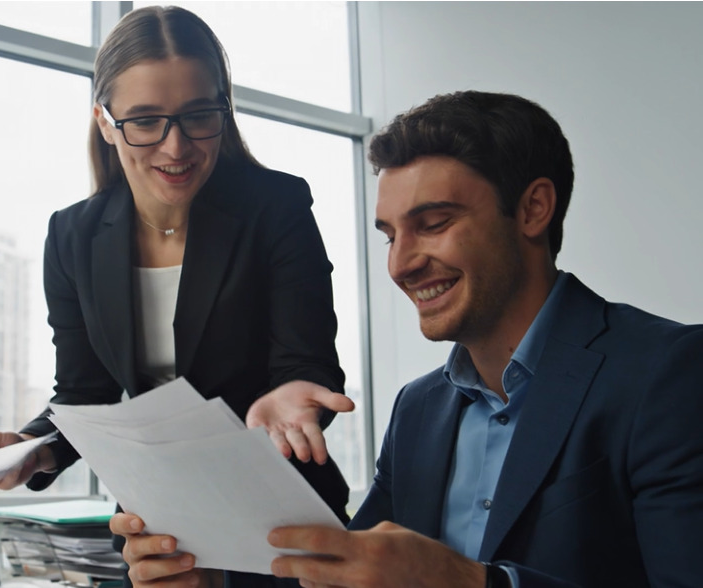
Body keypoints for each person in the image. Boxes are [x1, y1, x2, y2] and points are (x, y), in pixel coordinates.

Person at [116, 90, 703, 588]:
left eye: (434, 223)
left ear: (533, 209)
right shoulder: (419, 409)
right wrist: (209, 575)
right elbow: (351, 571)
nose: (401, 264)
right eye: (389, 234)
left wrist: (472, 584)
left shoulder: (668, 373)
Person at [0, 5, 354, 585]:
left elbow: (306, 361)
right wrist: (33, 446)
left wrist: (296, 393)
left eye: (199, 115)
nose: (176, 148)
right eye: (146, 120)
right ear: (105, 120)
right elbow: (84, 393)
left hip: (282, 515)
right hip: (159, 531)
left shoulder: (275, 206)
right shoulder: (73, 236)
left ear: (224, 109)